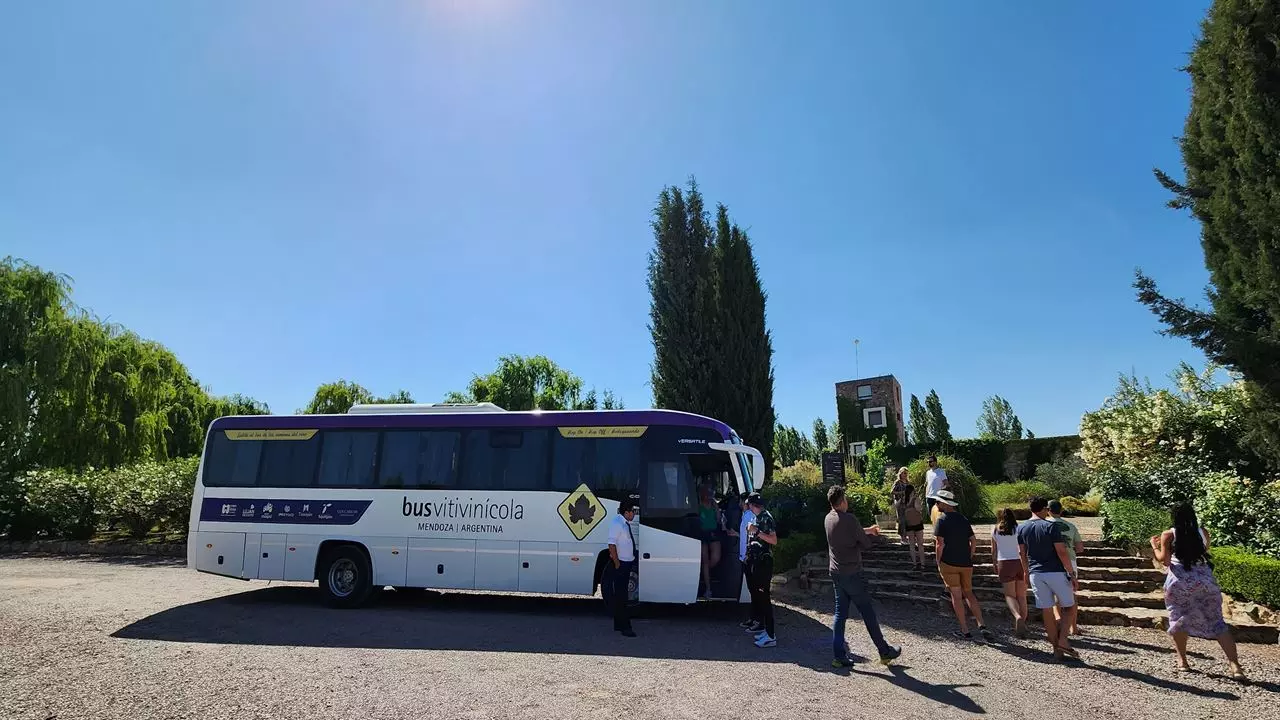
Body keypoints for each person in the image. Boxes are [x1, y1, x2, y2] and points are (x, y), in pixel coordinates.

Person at [1150, 504, 1245, 679]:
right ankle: (1235, 666)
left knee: (1178, 619)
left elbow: (1165, 561)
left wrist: (1154, 546)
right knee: (1218, 623)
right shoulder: (1203, 532)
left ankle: (1183, 662)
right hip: (1205, 581)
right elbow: (1204, 551)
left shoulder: (1168, 534)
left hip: (1179, 582)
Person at [825, 485, 903, 667]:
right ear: (842, 501)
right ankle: (884, 651)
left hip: (836, 572)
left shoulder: (828, 518)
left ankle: (838, 656)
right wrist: (870, 535)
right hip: (852, 573)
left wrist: (866, 530)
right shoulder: (850, 519)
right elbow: (865, 543)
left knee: (840, 614)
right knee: (867, 612)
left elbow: (849, 533)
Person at [1018, 498, 1078, 661]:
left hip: (1035, 573)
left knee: (1047, 610)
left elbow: (1022, 553)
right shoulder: (1050, 526)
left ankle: (1056, 650)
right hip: (1056, 571)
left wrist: (1026, 572)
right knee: (1069, 606)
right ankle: (1063, 640)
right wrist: (1071, 573)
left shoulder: (1022, 527)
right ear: (1044, 509)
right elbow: (1061, 551)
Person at [932, 490, 993, 641]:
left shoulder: (942, 520)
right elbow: (973, 540)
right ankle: (982, 624)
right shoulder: (963, 519)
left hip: (949, 562)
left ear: (944, 504)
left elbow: (939, 544)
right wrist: (970, 555)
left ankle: (965, 630)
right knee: (969, 593)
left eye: (938, 502)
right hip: (965, 562)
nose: (936, 504)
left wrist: (938, 561)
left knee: (956, 596)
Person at [744, 494, 778, 648]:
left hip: (764, 562)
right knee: (760, 596)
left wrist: (756, 531)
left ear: (752, 505)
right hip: (757, 562)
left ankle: (771, 635)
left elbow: (773, 540)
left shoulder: (766, 517)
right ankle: (766, 630)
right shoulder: (758, 517)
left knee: (765, 598)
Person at [1047, 499, 1085, 635]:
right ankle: (1073, 627)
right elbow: (1080, 548)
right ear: (1061, 510)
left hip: (1051, 562)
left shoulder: (1044, 525)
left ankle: (1058, 621)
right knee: (1071, 594)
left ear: (1048, 510)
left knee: (1054, 594)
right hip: (1070, 561)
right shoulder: (1071, 526)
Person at [991, 508, 1029, 637]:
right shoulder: (1019, 529)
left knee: (1009, 595)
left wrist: (994, 563)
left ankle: (1017, 616)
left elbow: (994, 550)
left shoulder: (995, 529)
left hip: (1004, 562)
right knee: (1022, 596)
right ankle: (1023, 623)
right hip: (1019, 562)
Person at [608, 500, 638, 638]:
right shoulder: (617, 523)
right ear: (626, 512)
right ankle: (625, 627)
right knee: (622, 597)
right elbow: (611, 545)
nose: (634, 514)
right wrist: (617, 563)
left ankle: (618, 624)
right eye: (633, 511)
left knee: (621, 595)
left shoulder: (624, 523)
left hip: (627, 562)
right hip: (621, 564)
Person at [891, 467, 926, 571]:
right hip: (901, 503)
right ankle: (903, 537)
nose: (905, 475)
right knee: (902, 520)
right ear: (900, 474)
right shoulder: (897, 482)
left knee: (908, 522)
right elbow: (892, 492)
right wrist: (902, 493)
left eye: (906, 473)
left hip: (911, 509)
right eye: (903, 473)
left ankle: (920, 563)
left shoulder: (909, 483)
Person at [733, 492, 758, 630]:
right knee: (752, 589)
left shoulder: (749, 515)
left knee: (754, 589)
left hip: (748, 557)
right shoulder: (746, 515)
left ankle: (756, 619)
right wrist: (736, 534)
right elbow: (746, 534)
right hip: (746, 557)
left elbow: (753, 533)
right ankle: (753, 618)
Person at [697, 486, 726, 599]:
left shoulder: (714, 504)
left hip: (713, 533)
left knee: (715, 558)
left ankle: (704, 572)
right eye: (707, 493)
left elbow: (718, 519)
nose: (709, 496)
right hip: (702, 534)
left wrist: (717, 509)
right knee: (704, 560)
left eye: (710, 494)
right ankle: (708, 589)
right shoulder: (698, 505)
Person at [924, 455, 948, 523]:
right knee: (931, 516)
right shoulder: (928, 472)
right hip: (929, 497)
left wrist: (941, 492)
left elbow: (946, 484)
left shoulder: (941, 471)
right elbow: (927, 484)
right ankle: (935, 528)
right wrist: (926, 495)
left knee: (939, 516)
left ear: (935, 462)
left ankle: (940, 528)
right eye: (928, 462)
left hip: (938, 497)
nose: (929, 463)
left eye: (930, 461)